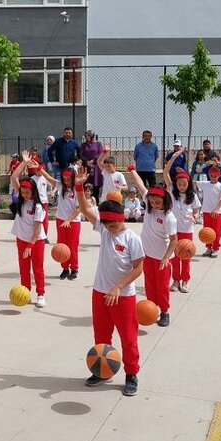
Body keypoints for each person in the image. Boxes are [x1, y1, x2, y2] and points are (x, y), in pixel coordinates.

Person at [74, 168, 145, 397]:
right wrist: (78, 187)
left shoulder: (132, 239)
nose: (109, 229)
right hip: (100, 293)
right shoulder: (105, 231)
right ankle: (103, 370)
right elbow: (84, 209)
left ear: (122, 218)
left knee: (128, 338)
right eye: (105, 225)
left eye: (112, 226)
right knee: (101, 337)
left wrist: (118, 286)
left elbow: (138, 269)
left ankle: (131, 373)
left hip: (123, 297)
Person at [127, 167, 176, 327]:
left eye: (158, 201)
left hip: (162, 258)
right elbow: (140, 184)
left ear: (164, 200)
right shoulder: (149, 209)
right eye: (152, 201)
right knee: (149, 285)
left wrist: (166, 257)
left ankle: (165, 312)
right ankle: (152, 309)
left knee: (162, 287)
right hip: (147, 255)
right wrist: (133, 170)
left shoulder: (169, 217)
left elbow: (174, 240)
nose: (154, 204)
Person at [163, 151, 200, 292]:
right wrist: (173, 157)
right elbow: (166, 173)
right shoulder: (172, 190)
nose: (182, 186)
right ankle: (176, 280)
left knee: (185, 257)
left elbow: (196, 209)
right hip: (174, 230)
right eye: (179, 184)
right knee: (174, 258)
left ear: (188, 184)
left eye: (184, 184)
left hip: (187, 230)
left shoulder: (192, 196)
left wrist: (195, 217)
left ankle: (185, 280)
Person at [10, 177, 47, 308]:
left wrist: (30, 245)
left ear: (33, 191)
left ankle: (41, 294)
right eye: (22, 192)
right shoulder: (21, 202)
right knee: (23, 269)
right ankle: (26, 292)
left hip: (36, 241)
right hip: (21, 239)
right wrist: (24, 163)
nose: (24, 195)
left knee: (38, 269)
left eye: (27, 192)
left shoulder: (38, 207)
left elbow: (38, 228)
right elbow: (14, 177)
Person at [54, 168, 82, 280]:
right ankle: (65, 268)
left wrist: (69, 220)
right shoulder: (61, 187)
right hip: (60, 220)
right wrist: (40, 169)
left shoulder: (77, 190)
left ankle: (74, 269)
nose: (66, 182)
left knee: (72, 246)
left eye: (69, 179)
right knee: (62, 245)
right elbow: (50, 179)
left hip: (73, 222)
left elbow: (78, 208)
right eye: (64, 179)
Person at [196, 167, 221, 256]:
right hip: (206, 211)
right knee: (207, 231)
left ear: (218, 176)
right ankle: (209, 247)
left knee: (216, 231)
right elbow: (192, 182)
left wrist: (216, 209)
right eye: (211, 175)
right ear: (209, 175)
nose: (213, 177)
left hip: (217, 212)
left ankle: (216, 248)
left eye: (215, 176)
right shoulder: (205, 184)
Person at [80, 130, 106, 201]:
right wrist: (86, 162)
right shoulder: (83, 145)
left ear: (92, 136)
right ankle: (85, 200)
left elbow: (100, 153)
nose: (87, 137)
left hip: (96, 167)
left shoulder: (98, 144)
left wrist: (93, 160)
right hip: (86, 166)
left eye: (88, 135)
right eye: (86, 136)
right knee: (86, 182)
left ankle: (96, 200)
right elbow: (81, 154)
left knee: (95, 183)